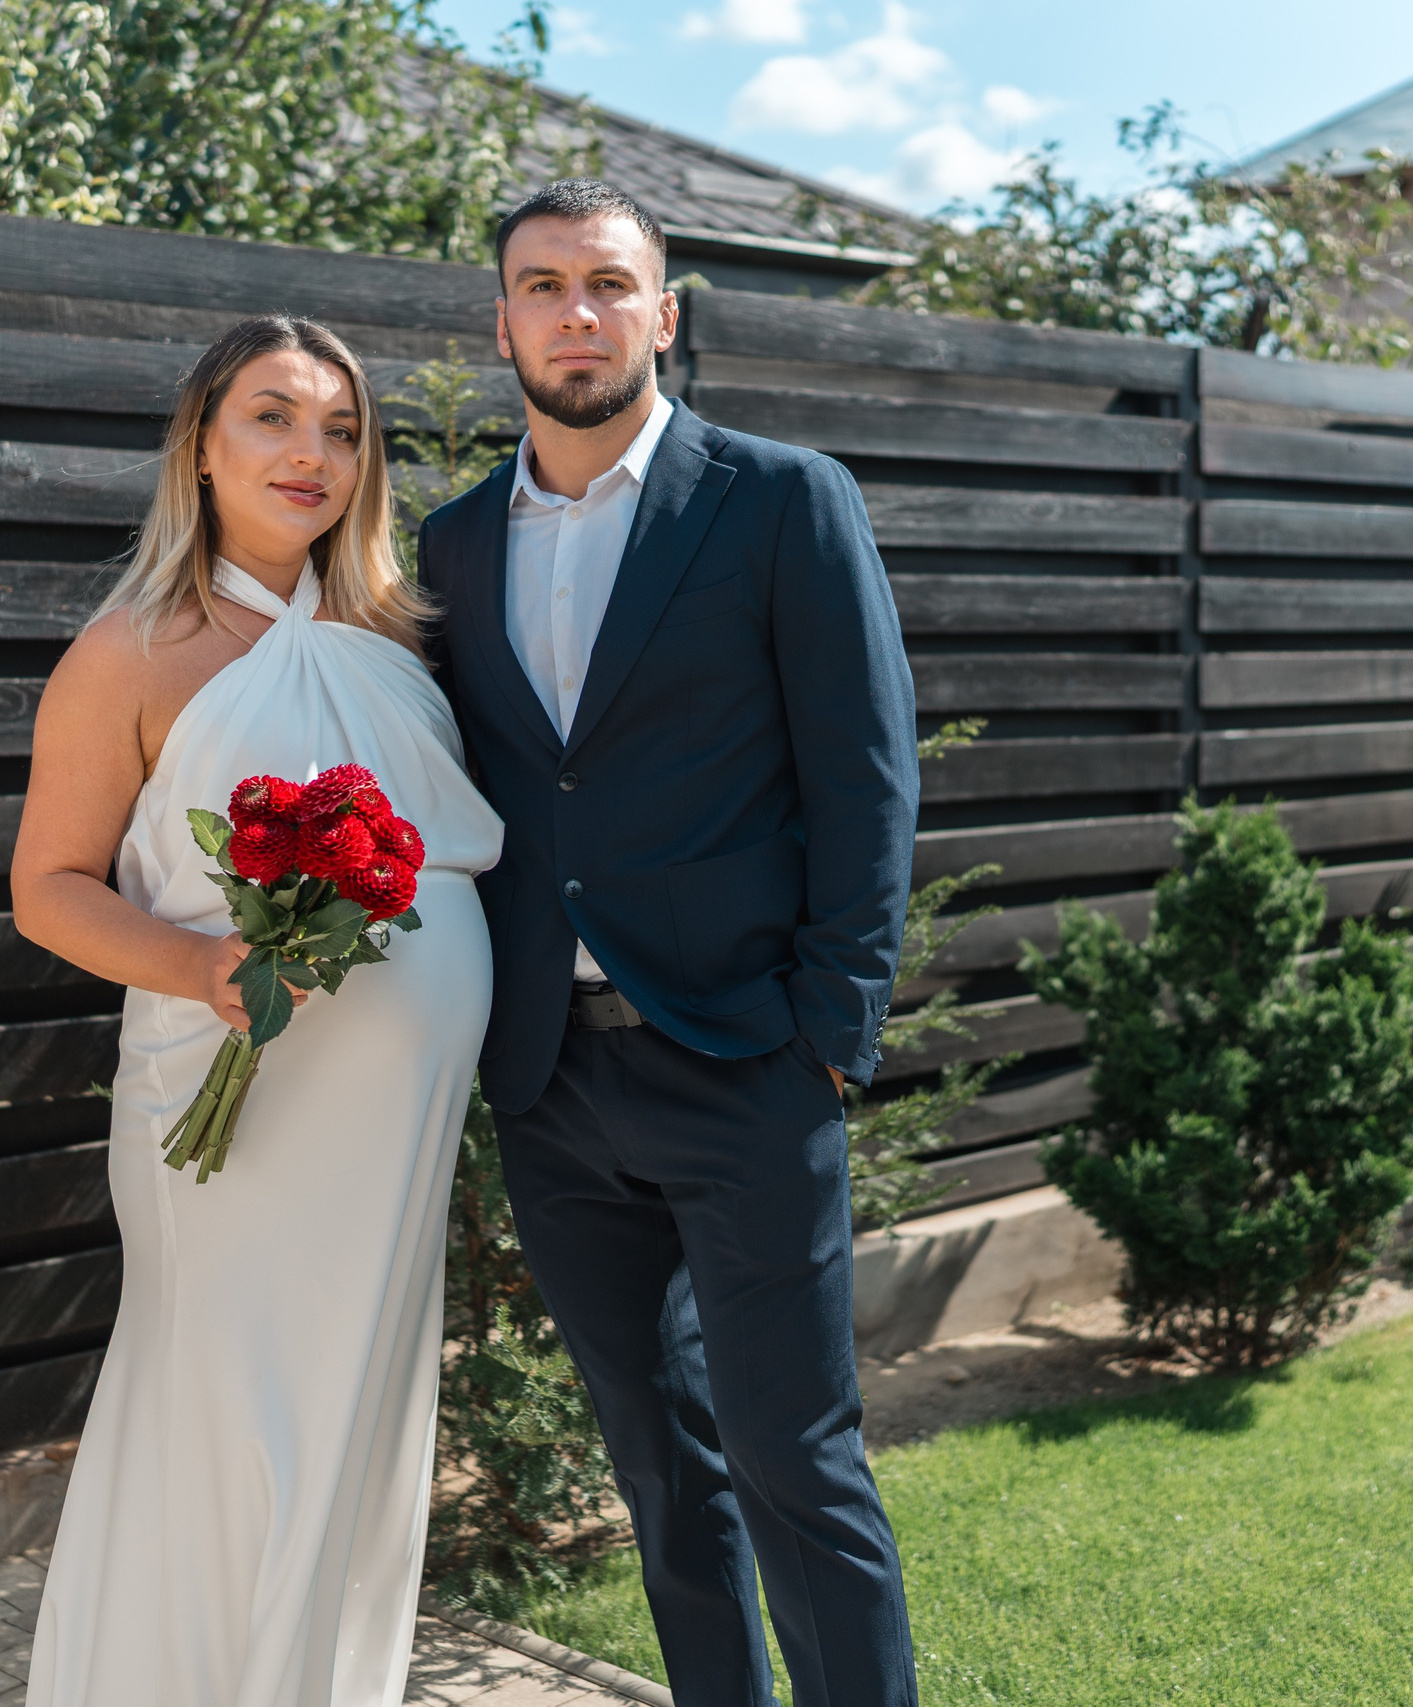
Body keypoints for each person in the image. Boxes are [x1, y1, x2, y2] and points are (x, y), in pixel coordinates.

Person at [419, 179, 923, 1707]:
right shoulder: (446, 549)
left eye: (609, 284)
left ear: (664, 313)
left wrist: (828, 1034)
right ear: (501, 319)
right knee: (656, 1468)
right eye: (545, 285)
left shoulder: (779, 500)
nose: (579, 313)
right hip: (554, 1083)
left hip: (745, 1064)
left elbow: (867, 773)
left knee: (796, 1465)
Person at [9, 315, 502, 1706]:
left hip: (388, 1132)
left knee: (357, 1419)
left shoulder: (399, 635)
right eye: (276, 418)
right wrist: (208, 972)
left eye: (343, 429)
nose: (313, 454)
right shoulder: (138, 647)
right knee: (223, 1415)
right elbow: (47, 887)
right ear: (202, 445)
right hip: (224, 1116)